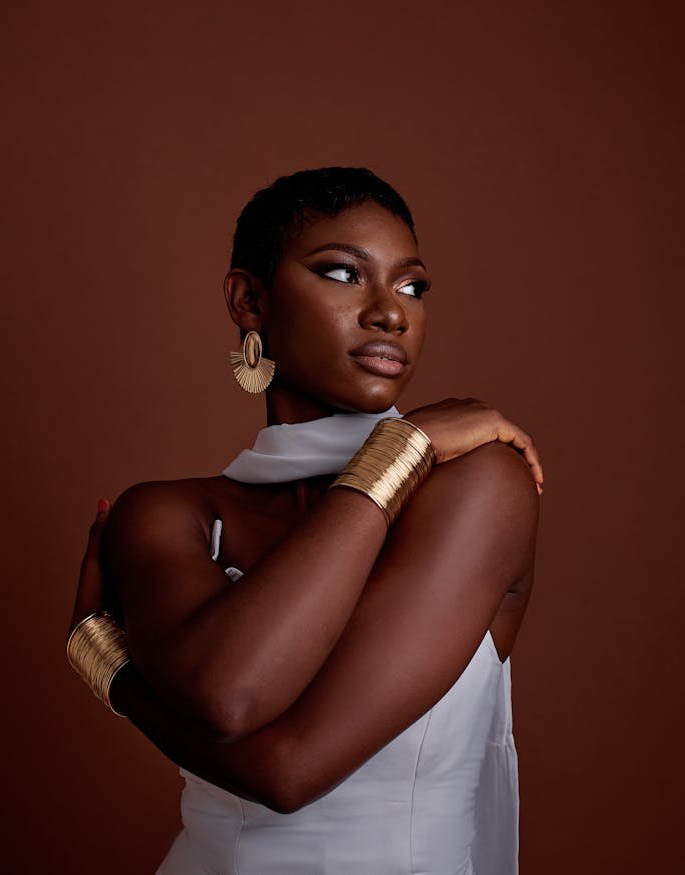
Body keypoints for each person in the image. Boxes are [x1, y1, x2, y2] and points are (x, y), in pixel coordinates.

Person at [67, 166, 544, 875]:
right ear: (249, 298)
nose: (391, 312)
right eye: (344, 274)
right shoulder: (167, 514)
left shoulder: (478, 484)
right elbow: (231, 694)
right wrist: (398, 451)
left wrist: (114, 673)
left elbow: (287, 772)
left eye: (412, 285)